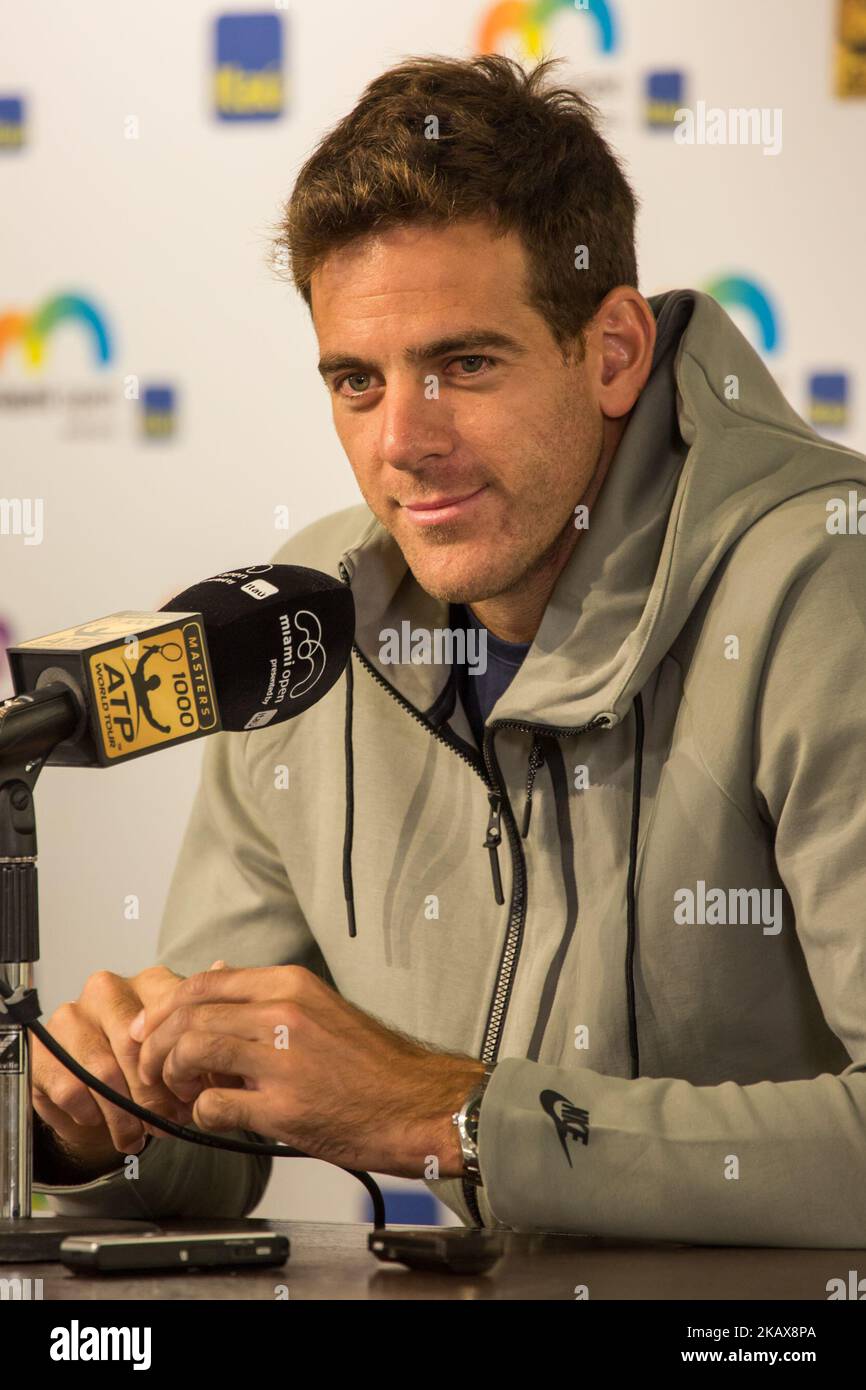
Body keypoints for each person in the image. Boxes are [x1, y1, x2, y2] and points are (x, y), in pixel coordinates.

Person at [32, 55, 866, 1246]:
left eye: (463, 365)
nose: (401, 445)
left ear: (614, 351)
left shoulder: (825, 585)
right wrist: (100, 1111)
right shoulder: (304, 627)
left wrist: (447, 1114)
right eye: (355, 381)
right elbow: (212, 1130)